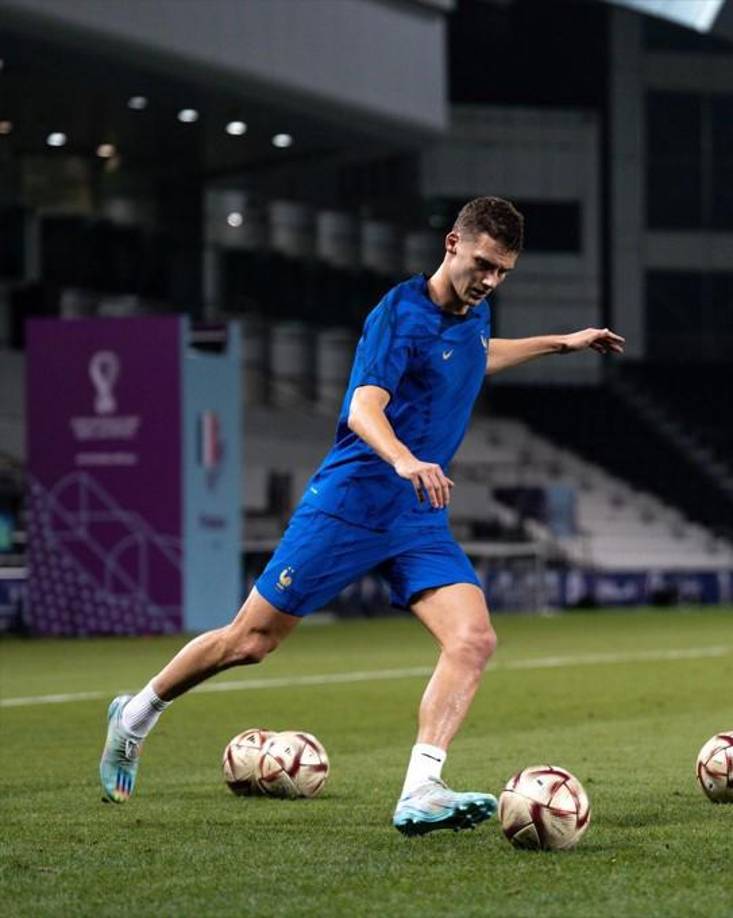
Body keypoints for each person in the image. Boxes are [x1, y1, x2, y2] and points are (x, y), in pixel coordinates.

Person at [100, 196, 624, 834]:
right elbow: (362, 409)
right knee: (250, 642)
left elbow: (476, 355)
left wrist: (562, 343)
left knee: (473, 640)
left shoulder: (474, 315)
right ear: (452, 243)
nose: (490, 280)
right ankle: (135, 716)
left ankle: (420, 788)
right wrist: (404, 459)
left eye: (503, 272)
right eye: (483, 264)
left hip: (416, 517)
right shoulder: (398, 314)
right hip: (350, 504)